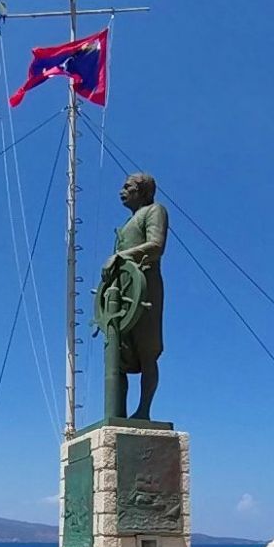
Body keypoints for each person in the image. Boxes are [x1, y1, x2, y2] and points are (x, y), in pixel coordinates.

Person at [101, 172, 168, 420]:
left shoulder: (155, 211)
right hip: (121, 294)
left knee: (147, 351)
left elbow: (156, 246)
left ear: (142, 191)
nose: (122, 190)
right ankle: (117, 414)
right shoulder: (127, 224)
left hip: (146, 287)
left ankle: (143, 411)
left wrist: (121, 256)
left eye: (127, 186)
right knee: (116, 355)